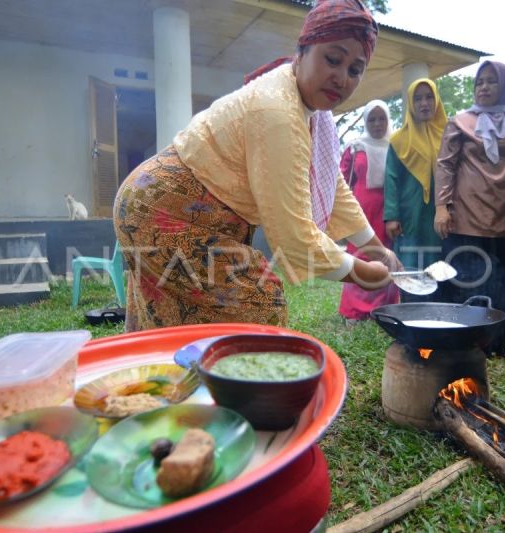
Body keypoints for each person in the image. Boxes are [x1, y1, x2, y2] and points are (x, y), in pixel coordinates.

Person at [114, 0, 400, 332]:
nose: (341, 78)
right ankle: (241, 384)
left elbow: (331, 182)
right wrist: (360, 272)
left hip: (160, 207)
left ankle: (181, 381)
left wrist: (372, 246)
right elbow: (294, 240)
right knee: (260, 303)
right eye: (333, 59)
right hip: (161, 213)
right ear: (302, 50)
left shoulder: (312, 114)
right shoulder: (278, 110)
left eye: (355, 70)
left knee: (172, 324)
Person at [433, 61, 505, 356]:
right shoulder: (460, 122)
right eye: (480, 82)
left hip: (504, 216)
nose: (484, 87)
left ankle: (494, 344)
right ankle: (458, 341)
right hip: (464, 216)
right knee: (462, 279)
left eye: (492, 81)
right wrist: (441, 207)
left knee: (498, 281)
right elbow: (446, 165)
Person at [384, 78, 447, 302]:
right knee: (411, 265)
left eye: (429, 97)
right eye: (418, 98)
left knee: (440, 264)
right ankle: (412, 321)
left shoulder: (449, 134)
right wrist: (391, 216)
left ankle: (438, 319)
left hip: (440, 215)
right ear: (410, 103)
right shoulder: (399, 140)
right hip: (411, 214)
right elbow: (391, 178)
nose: (424, 103)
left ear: (437, 101)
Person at [338, 100, 399, 323]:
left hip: (387, 212)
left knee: (385, 256)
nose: (377, 124)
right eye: (371, 119)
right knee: (359, 256)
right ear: (365, 121)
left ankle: (382, 309)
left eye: (381, 118)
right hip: (360, 212)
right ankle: (354, 310)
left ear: (388, 120)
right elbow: (341, 181)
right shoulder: (355, 147)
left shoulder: (395, 146)